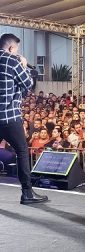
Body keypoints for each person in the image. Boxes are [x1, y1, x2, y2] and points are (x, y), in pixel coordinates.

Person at [0, 33, 48, 204]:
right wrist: (24, 64)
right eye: (17, 49)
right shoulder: (12, 61)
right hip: (9, 117)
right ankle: (27, 193)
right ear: (12, 48)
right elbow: (28, 84)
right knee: (21, 151)